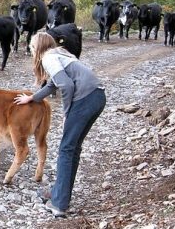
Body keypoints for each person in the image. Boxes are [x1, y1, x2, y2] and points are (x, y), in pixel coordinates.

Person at [14, 32, 106, 217]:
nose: (31, 50)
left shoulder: (48, 57)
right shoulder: (60, 53)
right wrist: (32, 97)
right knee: (73, 148)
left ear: (38, 47)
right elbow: (53, 85)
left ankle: (59, 203)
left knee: (66, 149)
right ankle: (59, 193)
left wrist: (66, 112)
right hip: (97, 96)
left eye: (32, 46)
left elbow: (66, 86)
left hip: (85, 100)